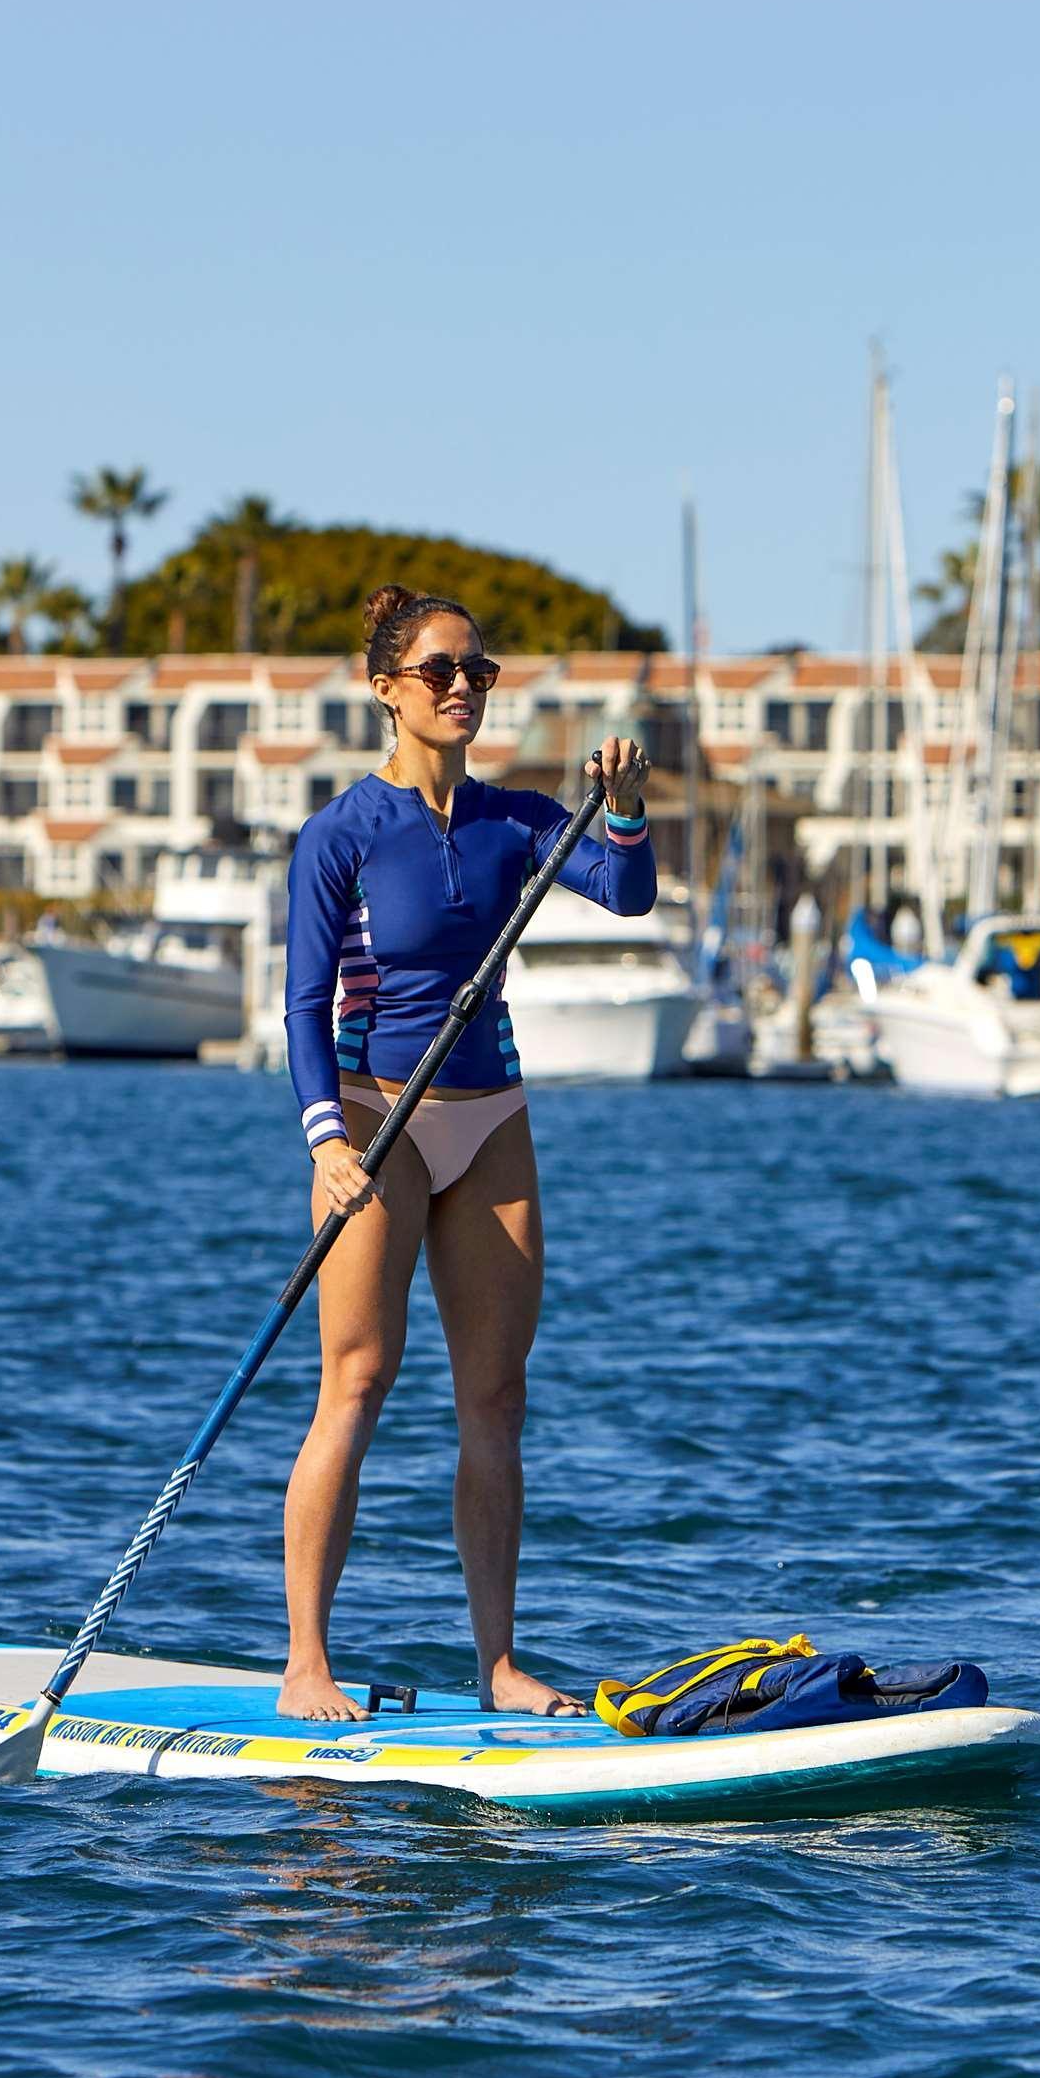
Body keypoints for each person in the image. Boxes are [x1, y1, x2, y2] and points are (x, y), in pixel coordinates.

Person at [277, 583, 654, 1720]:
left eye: (478, 672)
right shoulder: (341, 834)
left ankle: (497, 1662)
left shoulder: (521, 821)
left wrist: (625, 809)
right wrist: (325, 1143)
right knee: (358, 1378)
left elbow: (626, 893)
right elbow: (299, 1006)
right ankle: (307, 1660)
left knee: (495, 1397)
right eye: (439, 670)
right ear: (386, 689)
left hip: (490, 1116)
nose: (461, 688)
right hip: (372, 1117)